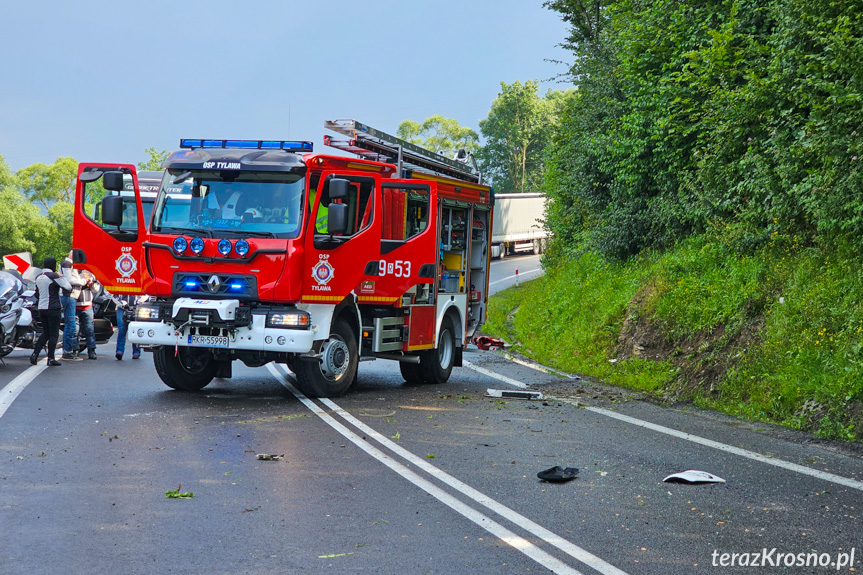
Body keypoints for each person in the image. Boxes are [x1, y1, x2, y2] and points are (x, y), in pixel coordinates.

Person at [31, 257, 72, 366]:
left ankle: (35, 354)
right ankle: (51, 358)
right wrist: (61, 276)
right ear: (53, 266)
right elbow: (68, 287)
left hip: (41, 308)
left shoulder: (39, 277)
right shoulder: (53, 276)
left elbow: (37, 294)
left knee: (45, 333)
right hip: (53, 308)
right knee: (54, 334)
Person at [60, 252, 85, 361]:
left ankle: (68, 350)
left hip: (70, 296)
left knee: (71, 324)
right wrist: (83, 281)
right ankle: (68, 352)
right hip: (69, 296)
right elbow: (69, 279)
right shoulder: (67, 264)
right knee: (70, 324)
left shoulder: (68, 264)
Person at [74, 270, 100, 360]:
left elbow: (96, 289)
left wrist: (92, 284)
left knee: (89, 329)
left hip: (87, 305)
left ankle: (91, 350)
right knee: (75, 330)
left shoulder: (89, 273)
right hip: (75, 305)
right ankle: (75, 350)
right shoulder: (71, 272)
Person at [113, 293, 146, 360]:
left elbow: (146, 293)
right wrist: (121, 303)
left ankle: (136, 351)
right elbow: (113, 295)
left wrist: (138, 301)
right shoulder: (120, 282)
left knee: (135, 329)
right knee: (122, 329)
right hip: (122, 308)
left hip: (136, 308)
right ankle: (119, 351)